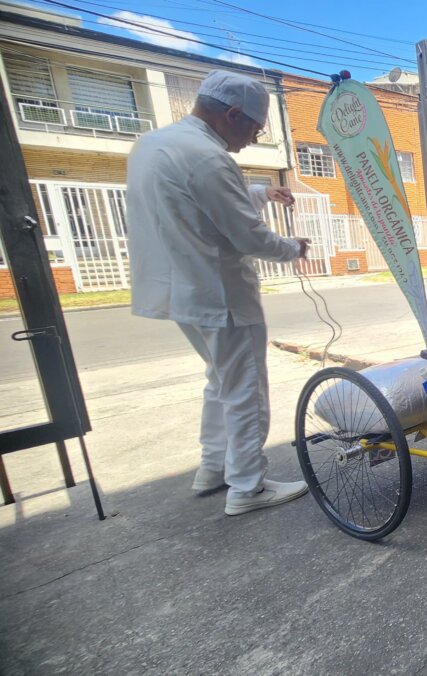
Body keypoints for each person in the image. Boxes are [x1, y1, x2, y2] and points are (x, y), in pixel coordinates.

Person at [126, 70, 309, 516]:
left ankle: (213, 468)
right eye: (253, 128)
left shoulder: (153, 145)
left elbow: (201, 198)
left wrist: (262, 192)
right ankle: (247, 486)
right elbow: (246, 235)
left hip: (180, 292)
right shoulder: (208, 157)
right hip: (219, 293)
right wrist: (293, 248)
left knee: (220, 382)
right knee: (245, 389)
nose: (251, 138)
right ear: (231, 114)